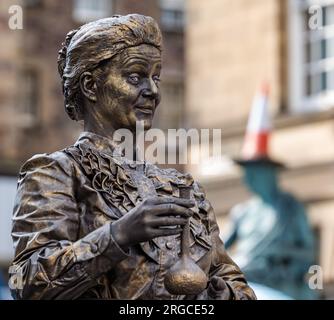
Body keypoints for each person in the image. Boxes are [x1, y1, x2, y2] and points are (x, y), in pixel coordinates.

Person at [8, 14, 256, 300]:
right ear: (90, 86)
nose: (152, 91)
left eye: (156, 77)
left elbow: (236, 284)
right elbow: (29, 283)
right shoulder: (56, 173)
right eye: (135, 76)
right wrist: (119, 235)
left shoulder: (184, 188)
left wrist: (217, 294)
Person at [223, 84, 316, 299]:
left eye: (254, 173)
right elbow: (219, 250)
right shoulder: (242, 212)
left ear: (270, 173)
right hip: (243, 276)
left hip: (278, 280)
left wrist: (279, 254)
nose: (249, 179)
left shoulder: (290, 208)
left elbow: (308, 252)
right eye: (247, 173)